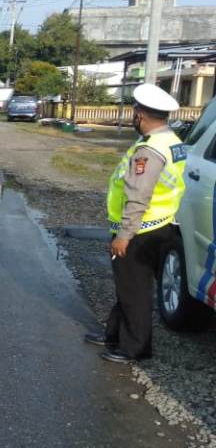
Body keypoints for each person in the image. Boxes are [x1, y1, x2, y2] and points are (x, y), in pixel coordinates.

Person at [84, 84, 186, 364]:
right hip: (159, 225)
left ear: (140, 115)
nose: (133, 117)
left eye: (134, 112)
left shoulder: (150, 150)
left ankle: (135, 348)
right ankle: (114, 333)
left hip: (140, 231)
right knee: (128, 286)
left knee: (136, 292)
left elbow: (139, 196)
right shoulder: (171, 140)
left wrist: (124, 236)